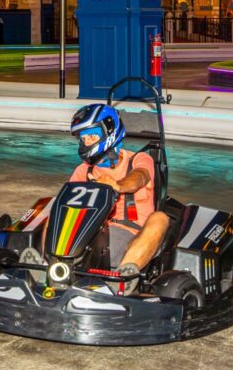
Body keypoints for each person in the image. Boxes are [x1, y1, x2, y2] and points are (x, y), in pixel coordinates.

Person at [68, 104, 170, 290]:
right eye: (83, 138)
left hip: (133, 235)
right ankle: (48, 265)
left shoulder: (138, 159)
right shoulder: (83, 170)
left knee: (160, 218)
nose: (86, 142)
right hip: (94, 234)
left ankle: (123, 279)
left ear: (109, 132)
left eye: (91, 136)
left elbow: (141, 176)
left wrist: (118, 186)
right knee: (49, 206)